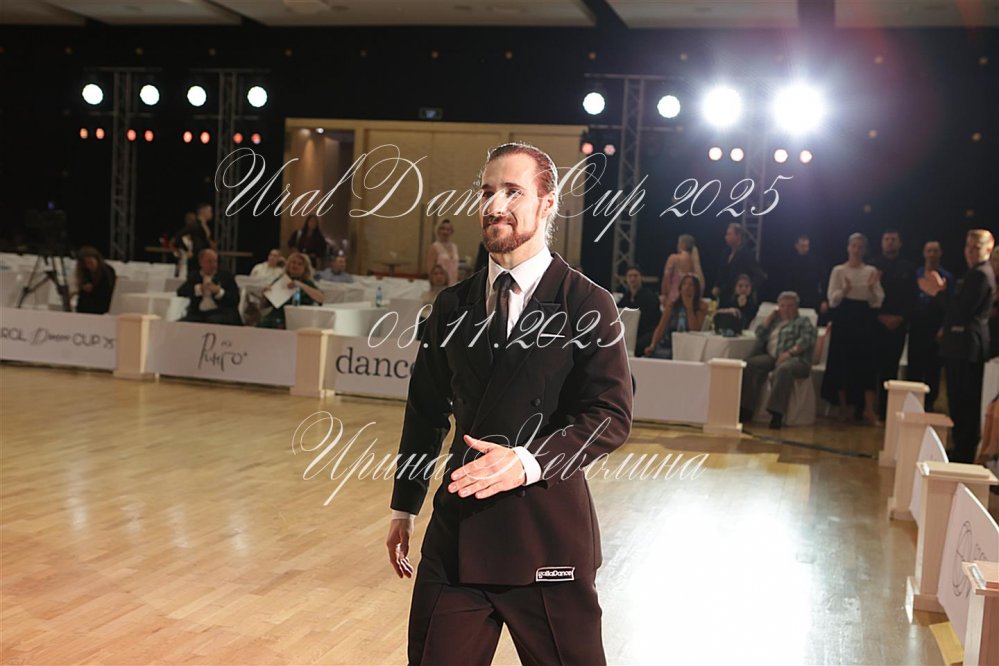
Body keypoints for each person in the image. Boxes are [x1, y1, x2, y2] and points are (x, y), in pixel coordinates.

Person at [385, 142, 632, 666]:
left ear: (548, 203)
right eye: (487, 192)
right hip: (457, 539)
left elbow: (610, 416)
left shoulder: (588, 304)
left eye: (513, 192)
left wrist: (525, 461)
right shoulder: (451, 306)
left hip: (547, 544)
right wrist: (404, 506)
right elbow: (425, 412)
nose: (495, 206)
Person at [918, 229, 997, 463]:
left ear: (988, 249)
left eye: (976, 248)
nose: (970, 252)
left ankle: (964, 451)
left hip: (968, 346)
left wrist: (939, 292)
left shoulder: (981, 274)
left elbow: (961, 312)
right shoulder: (975, 273)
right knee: (958, 399)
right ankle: (960, 447)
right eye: (968, 247)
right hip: (962, 345)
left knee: (965, 401)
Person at [821, 233, 885, 424]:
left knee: (867, 364)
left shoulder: (871, 271)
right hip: (844, 318)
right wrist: (844, 291)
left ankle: (869, 410)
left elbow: (877, 301)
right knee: (842, 363)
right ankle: (843, 409)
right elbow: (832, 300)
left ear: (865, 250)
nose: (856, 250)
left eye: (860, 247)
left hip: (864, 319)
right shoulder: (838, 270)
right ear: (848, 248)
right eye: (854, 246)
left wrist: (872, 288)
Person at [739, 291, 817, 429]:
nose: (786, 309)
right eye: (782, 306)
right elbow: (759, 334)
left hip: (796, 359)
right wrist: (769, 318)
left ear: (796, 307)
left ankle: (776, 414)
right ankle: (746, 409)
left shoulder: (803, 322)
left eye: (790, 306)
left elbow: (807, 339)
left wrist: (790, 353)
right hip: (772, 357)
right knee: (749, 365)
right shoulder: (775, 322)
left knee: (783, 369)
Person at [870, 229, 917, 419]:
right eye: (886, 239)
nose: (890, 242)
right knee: (872, 367)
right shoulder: (872, 265)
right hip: (876, 323)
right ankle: (868, 410)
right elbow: (868, 295)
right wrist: (880, 316)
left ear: (900, 243)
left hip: (898, 324)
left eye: (893, 239)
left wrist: (901, 318)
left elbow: (912, 297)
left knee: (891, 367)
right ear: (882, 242)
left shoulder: (909, 267)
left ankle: (886, 411)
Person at [908, 241, 953, 410]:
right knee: (914, 365)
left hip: (936, 327)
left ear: (940, 253)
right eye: (929, 251)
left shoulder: (947, 277)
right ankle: (912, 404)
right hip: (916, 326)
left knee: (933, 368)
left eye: (935, 251)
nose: (932, 254)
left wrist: (944, 328)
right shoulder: (916, 274)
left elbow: (951, 306)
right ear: (924, 253)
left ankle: (929, 404)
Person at [644, 273, 706, 359]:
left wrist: (689, 308)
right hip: (670, 343)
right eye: (684, 284)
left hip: (689, 345)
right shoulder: (672, 306)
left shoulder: (701, 306)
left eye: (691, 285)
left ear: (696, 289)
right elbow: (661, 328)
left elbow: (695, 330)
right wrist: (652, 345)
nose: (687, 287)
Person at [257, 252, 324, 329]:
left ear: (305, 269)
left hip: (298, 317)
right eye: (293, 263)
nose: (295, 265)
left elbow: (321, 299)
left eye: (299, 264)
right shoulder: (281, 280)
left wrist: (300, 285)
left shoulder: (307, 283)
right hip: (278, 315)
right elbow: (265, 305)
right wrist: (266, 294)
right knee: (264, 322)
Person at [177, 248, 241, 326]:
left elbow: (235, 299)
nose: (213, 265)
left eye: (215, 261)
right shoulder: (194, 276)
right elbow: (180, 292)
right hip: (198, 313)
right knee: (180, 324)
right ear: (201, 263)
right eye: (209, 261)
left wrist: (219, 292)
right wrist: (199, 289)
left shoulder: (226, 276)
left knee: (212, 320)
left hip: (221, 312)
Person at [712, 223, 765, 299]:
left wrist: (747, 289)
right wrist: (717, 286)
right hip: (724, 296)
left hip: (739, 298)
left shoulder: (746, 254)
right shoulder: (726, 253)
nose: (726, 237)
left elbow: (760, 275)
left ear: (738, 236)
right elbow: (721, 272)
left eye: (729, 234)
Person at [619, 265, 661, 357]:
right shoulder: (625, 298)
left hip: (647, 332)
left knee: (638, 345)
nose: (633, 279)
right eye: (630, 276)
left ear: (641, 277)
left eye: (635, 276)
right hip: (629, 333)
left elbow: (651, 320)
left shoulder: (650, 297)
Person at [786, 235, 828, 312]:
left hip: (813, 299)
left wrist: (824, 300)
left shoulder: (817, 261)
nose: (805, 248)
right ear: (796, 246)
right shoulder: (789, 263)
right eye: (802, 246)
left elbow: (823, 282)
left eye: (806, 246)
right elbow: (787, 284)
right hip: (795, 299)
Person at [660, 233, 705, 305]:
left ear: (682, 244)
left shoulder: (674, 258)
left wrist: (664, 295)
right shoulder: (694, 262)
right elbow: (701, 285)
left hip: (674, 299)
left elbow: (666, 277)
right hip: (690, 300)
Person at [171, 205, 214, 278]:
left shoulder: (203, 225)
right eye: (209, 211)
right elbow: (178, 237)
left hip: (203, 257)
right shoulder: (195, 225)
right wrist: (186, 250)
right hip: (195, 258)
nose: (211, 214)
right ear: (203, 212)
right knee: (194, 278)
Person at [73, 246, 116, 314]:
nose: (88, 266)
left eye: (90, 262)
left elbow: (108, 290)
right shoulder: (84, 271)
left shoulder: (107, 271)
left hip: (102, 305)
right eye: (86, 263)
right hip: (85, 307)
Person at [425, 219, 460, 285]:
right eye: (442, 229)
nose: (445, 232)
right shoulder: (434, 247)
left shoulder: (455, 247)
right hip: (440, 284)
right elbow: (430, 270)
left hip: (454, 284)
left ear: (451, 231)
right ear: (438, 230)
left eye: (448, 229)